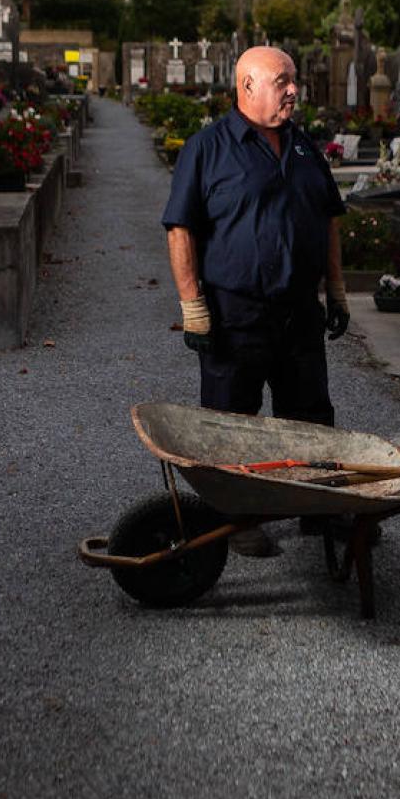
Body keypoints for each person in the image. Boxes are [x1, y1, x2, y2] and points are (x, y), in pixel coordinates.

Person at [162, 47, 351, 556]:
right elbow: (181, 229)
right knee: (231, 421)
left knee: (309, 418)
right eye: (282, 80)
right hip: (235, 312)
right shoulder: (207, 148)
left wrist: (334, 289)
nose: (293, 90)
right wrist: (192, 306)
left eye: (294, 81)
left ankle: (315, 507)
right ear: (247, 87)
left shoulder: (305, 148)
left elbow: (329, 218)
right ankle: (238, 517)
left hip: (298, 314)